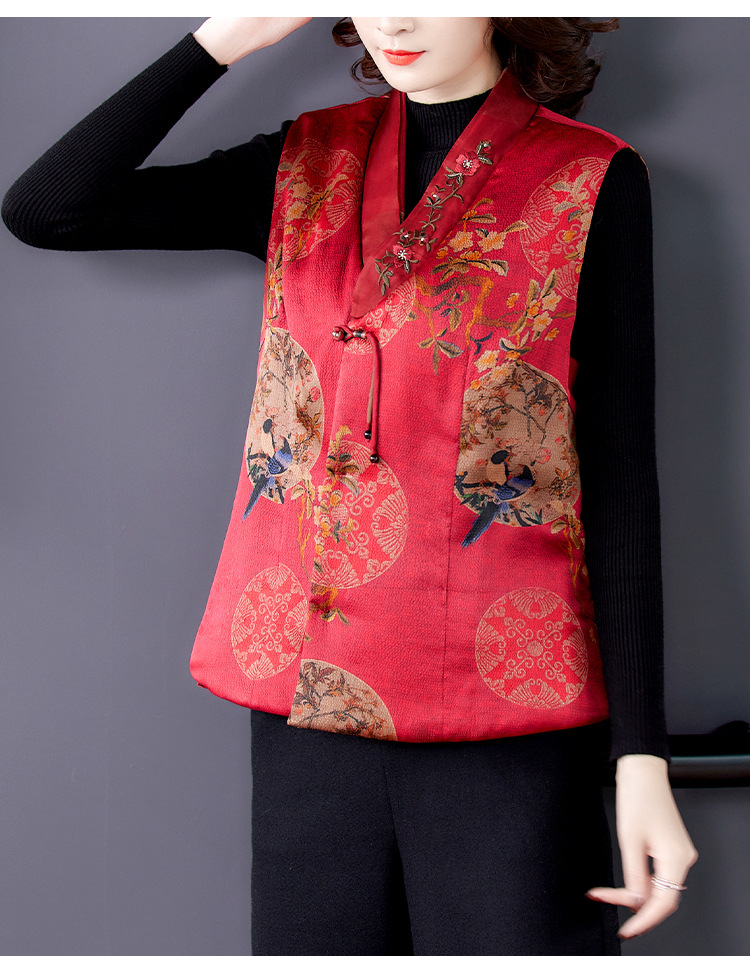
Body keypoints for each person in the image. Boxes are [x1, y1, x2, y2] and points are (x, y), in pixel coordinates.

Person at [2, 17, 698, 955]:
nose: (397, 18)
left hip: (506, 715)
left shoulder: (590, 177)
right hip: (313, 700)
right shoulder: (305, 163)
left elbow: (619, 479)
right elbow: (48, 210)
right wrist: (224, 38)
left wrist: (642, 757)